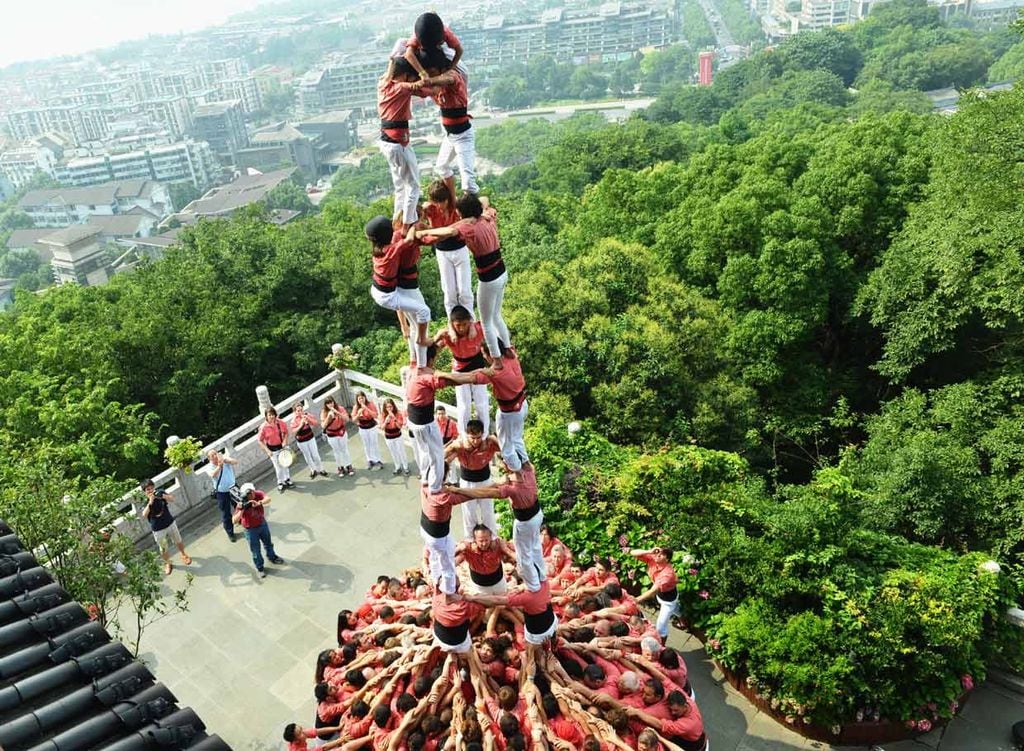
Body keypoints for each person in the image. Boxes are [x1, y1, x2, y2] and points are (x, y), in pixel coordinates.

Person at [417, 194, 508, 361]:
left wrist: (425, 232)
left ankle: (496, 359)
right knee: (496, 316)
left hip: (489, 278)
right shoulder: (487, 217)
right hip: (502, 273)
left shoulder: (470, 228)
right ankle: (507, 348)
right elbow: (485, 199)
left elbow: (450, 231)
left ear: (461, 212)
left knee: (487, 322)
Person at [451, 460, 545, 592]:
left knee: (524, 554)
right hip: (537, 515)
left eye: (504, 463)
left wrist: (460, 491)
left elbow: (485, 494)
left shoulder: (511, 489)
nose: (501, 465)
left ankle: (534, 584)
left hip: (525, 522)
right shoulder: (529, 473)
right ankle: (540, 574)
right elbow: (527, 465)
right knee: (535, 548)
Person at [448, 344, 528, 473]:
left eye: (485, 354)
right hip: (519, 404)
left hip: (510, 409)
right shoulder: (510, 357)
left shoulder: (495, 371)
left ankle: (519, 469)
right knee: (466, 405)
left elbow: (472, 378)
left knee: (479, 404)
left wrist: (444, 377)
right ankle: (523, 465)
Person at [367, 218, 432, 367]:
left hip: (377, 290)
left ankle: (414, 359)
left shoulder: (378, 250)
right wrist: (413, 225)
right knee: (424, 311)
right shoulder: (391, 250)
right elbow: (409, 239)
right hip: (387, 296)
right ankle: (422, 339)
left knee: (414, 320)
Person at [418, 51, 477, 196]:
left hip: (463, 135)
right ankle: (452, 200)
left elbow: (448, 79)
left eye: (433, 72)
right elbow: (423, 91)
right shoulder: (438, 90)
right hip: (449, 136)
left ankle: (473, 213)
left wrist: (426, 79)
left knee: (468, 182)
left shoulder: (453, 77)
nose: (431, 76)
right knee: (441, 167)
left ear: (441, 69)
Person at [377, 57, 426, 229]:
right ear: (404, 76)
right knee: (413, 185)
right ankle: (407, 224)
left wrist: (392, 62)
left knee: (400, 186)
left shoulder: (382, 84)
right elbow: (419, 86)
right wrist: (423, 74)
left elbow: (391, 69)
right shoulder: (401, 88)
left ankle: (396, 220)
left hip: (386, 141)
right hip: (398, 142)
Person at [419, 180, 473, 316]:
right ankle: (452, 321)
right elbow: (417, 222)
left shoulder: (456, 206)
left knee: (464, 290)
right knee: (449, 291)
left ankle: (470, 319)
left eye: (442, 201)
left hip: (459, 248)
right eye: (436, 202)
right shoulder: (429, 209)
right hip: (442, 251)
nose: (439, 205)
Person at [434, 305, 490, 435]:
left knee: (481, 403)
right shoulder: (447, 335)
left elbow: (493, 327)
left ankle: (484, 434)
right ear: (452, 324)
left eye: (464, 324)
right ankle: (464, 435)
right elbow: (433, 350)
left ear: (469, 322)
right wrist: (437, 336)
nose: (461, 328)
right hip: (459, 369)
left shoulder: (477, 328)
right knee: (464, 406)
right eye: (458, 325)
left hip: (478, 366)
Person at [405, 345, 452, 492]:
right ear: (431, 359)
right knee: (438, 455)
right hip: (426, 424)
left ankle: (425, 478)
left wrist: (440, 342)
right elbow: (453, 380)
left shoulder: (413, 369)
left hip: (413, 422)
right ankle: (435, 486)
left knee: (424, 451)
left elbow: (421, 346)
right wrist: (473, 376)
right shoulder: (428, 378)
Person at [419, 470, 474, 595]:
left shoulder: (425, 484)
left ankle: (436, 580)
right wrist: (493, 488)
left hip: (427, 530)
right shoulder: (443, 497)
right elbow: (473, 495)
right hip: (437, 537)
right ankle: (449, 593)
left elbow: (436, 463)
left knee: (436, 557)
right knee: (447, 565)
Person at [445, 419, 500, 539]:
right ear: (467, 436)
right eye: (472, 438)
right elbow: (444, 456)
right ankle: (470, 539)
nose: (475, 441)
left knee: (488, 513)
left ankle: (493, 539)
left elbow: (506, 448)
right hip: (467, 483)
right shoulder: (461, 445)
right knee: (469, 514)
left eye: (478, 437)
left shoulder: (489, 443)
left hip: (485, 482)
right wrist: (453, 444)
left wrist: (493, 438)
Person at [232, 482, 285, 578]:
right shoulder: (241, 503)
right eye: (249, 493)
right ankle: (260, 567)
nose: (252, 494)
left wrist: (259, 503)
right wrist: (242, 509)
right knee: (256, 551)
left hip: (262, 523)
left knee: (268, 543)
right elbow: (234, 520)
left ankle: (272, 557)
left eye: (252, 491)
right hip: (250, 530)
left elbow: (268, 499)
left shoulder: (257, 494)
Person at [140, 479, 192, 575]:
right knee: (163, 548)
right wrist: (150, 502)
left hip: (170, 523)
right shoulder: (144, 501)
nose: (150, 491)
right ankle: (168, 563)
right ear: (144, 492)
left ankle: (184, 555)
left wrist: (162, 496)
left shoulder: (160, 492)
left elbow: (172, 499)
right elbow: (144, 515)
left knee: (178, 540)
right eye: (148, 489)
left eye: (151, 488)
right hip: (158, 530)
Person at [630, 546, 679, 639]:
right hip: (661, 594)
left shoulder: (667, 574)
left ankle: (662, 645)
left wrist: (636, 600)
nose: (658, 555)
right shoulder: (653, 559)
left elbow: (653, 591)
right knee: (677, 610)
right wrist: (649, 551)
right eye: (658, 553)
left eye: (662, 555)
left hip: (668, 600)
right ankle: (683, 620)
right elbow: (633, 552)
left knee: (660, 628)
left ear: (667, 559)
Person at [400, 12, 464, 81]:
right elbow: (409, 54)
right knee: (400, 47)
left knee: (463, 72)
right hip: (421, 49)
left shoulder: (445, 33)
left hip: (439, 49)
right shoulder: (419, 34)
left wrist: (450, 68)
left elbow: (459, 50)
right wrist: (422, 73)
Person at [456, 523, 515, 595]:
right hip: (480, 586)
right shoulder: (468, 548)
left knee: (503, 600)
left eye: (486, 540)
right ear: (475, 539)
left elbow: (514, 552)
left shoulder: (498, 544)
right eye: (481, 541)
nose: (484, 544)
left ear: (491, 537)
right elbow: (455, 559)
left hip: (499, 583)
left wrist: (506, 550)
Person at [257, 406, 294, 492]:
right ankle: (280, 482)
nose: (272, 417)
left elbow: (286, 433)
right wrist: (267, 451)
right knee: (278, 468)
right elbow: (259, 440)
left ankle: (287, 479)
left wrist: (285, 441)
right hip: (272, 450)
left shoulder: (280, 422)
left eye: (273, 414)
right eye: (269, 415)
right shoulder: (263, 427)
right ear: (266, 416)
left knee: (285, 464)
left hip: (281, 446)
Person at [291, 400, 328, 480]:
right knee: (308, 456)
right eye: (298, 411)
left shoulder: (307, 415)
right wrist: (301, 424)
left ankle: (320, 469)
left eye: (301, 410)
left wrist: (308, 419)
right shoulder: (294, 420)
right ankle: (313, 470)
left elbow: (316, 423)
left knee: (315, 455)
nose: (300, 412)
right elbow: (294, 432)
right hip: (302, 441)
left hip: (310, 438)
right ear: (295, 412)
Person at [208, 449, 239, 542]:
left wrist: (226, 461)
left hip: (233, 488)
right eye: (212, 455)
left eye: (215, 454)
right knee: (226, 513)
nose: (214, 456)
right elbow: (212, 475)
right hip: (222, 492)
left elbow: (235, 462)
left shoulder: (224, 459)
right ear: (209, 458)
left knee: (240, 505)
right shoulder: (210, 467)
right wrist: (219, 466)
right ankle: (230, 533)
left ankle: (242, 520)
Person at [321, 396, 355, 477]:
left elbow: (347, 419)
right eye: (328, 403)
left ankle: (349, 465)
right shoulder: (324, 412)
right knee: (336, 451)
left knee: (344, 450)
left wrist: (337, 412)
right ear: (326, 405)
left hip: (341, 432)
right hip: (331, 434)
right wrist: (329, 417)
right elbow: (323, 425)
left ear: (334, 402)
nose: (330, 405)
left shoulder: (340, 408)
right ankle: (340, 467)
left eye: (331, 402)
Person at [353, 391, 384, 470]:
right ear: (357, 399)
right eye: (359, 399)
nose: (361, 400)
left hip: (372, 426)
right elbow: (353, 419)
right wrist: (358, 414)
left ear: (365, 398)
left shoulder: (370, 404)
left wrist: (366, 408)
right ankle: (369, 460)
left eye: (362, 398)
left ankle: (377, 460)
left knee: (374, 443)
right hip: (363, 428)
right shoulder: (356, 407)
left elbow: (375, 415)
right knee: (366, 444)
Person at [381, 398, 411, 476]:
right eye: (387, 407)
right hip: (388, 437)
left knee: (401, 451)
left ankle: (406, 467)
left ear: (393, 406)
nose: (389, 409)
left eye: (391, 407)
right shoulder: (383, 415)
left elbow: (399, 426)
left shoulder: (398, 413)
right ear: (385, 408)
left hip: (397, 436)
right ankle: (397, 466)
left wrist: (394, 418)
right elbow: (381, 427)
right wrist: (385, 421)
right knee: (393, 452)